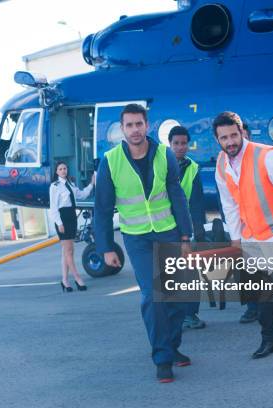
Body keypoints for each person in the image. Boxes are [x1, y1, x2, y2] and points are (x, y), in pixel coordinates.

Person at [94, 104, 194, 383]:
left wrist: (185, 236)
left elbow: (177, 195)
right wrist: (105, 247)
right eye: (129, 125)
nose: (135, 130)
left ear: (146, 125)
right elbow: (102, 208)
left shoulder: (165, 154)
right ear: (122, 129)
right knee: (152, 296)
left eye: (139, 124)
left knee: (175, 295)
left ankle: (172, 347)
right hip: (136, 237)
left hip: (168, 232)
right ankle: (162, 358)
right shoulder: (110, 161)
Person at [213, 111, 273, 374]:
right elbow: (229, 205)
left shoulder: (268, 156)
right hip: (251, 238)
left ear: (242, 132)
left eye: (234, 135)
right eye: (224, 138)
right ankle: (269, 341)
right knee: (260, 296)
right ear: (217, 140)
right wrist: (236, 240)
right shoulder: (222, 164)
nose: (230, 141)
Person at [168, 125, 207, 330]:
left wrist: (198, 228)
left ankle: (190, 314)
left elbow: (198, 201)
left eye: (184, 143)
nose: (180, 147)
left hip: (188, 228)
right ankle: (174, 316)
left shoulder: (193, 168)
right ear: (170, 144)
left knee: (191, 273)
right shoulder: (161, 165)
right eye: (176, 143)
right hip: (166, 226)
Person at [49, 161, 95, 292]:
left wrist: (91, 184)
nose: (63, 171)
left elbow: (82, 195)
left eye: (65, 168)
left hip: (72, 217)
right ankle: (77, 278)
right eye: (60, 169)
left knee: (67, 251)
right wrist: (59, 223)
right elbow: (53, 208)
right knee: (68, 251)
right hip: (62, 217)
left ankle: (64, 281)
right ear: (56, 172)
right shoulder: (55, 186)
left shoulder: (70, 184)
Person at [238, 122, 259, 324]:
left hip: (266, 230)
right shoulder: (227, 165)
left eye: (243, 136)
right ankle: (252, 309)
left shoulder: (261, 160)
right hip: (244, 231)